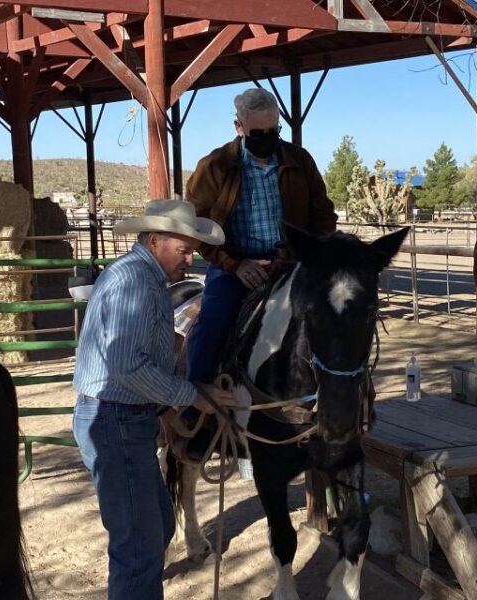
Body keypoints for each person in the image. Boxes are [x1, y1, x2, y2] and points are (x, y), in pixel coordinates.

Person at [72, 199, 235, 600]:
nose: (189, 261)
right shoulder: (135, 284)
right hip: (116, 422)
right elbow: (128, 367)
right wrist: (192, 396)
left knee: (158, 526)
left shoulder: (137, 278)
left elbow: (134, 361)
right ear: (155, 239)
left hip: (124, 419)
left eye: (192, 253)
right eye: (183, 251)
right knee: (139, 550)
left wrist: (164, 409)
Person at [184, 87, 337, 382]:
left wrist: (316, 253)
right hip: (235, 264)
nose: (267, 139)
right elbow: (196, 224)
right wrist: (235, 265)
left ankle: (344, 403)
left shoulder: (299, 161)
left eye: (273, 131)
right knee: (212, 323)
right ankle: (195, 402)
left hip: (293, 262)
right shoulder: (215, 167)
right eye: (258, 133)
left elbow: (323, 215)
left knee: (338, 317)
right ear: (239, 127)